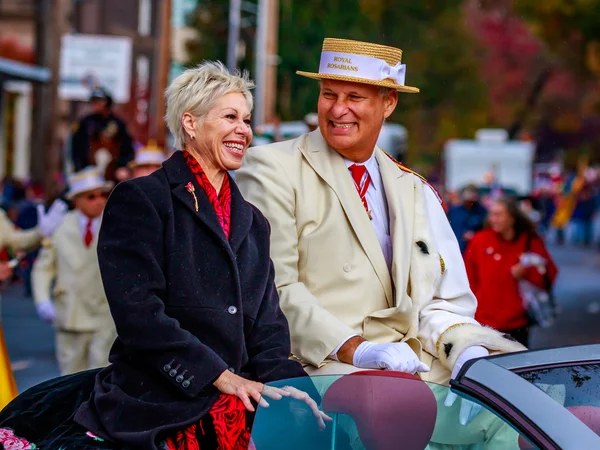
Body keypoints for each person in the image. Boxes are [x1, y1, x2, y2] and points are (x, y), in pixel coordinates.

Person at [0, 62, 323, 450]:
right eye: (230, 117)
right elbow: (140, 316)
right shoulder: (141, 199)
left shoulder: (253, 222)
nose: (244, 130)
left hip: (242, 407)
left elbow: (267, 325)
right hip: (158, 407)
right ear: (190, 123)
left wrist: (296, 390)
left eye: (247, 119)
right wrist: (218, 376)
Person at [237, 37, 524, 385]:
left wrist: (465, 349)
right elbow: (274, 288)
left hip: (411, 367)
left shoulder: (413, 188)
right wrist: (355, 348)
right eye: (329, 94)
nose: (338, 109)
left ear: (389, 103)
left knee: (513, 410)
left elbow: (438, 300)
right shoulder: (269, 168)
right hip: (320, 367)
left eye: (354, 97)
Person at [32, 167, 117, 375]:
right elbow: (43, 268)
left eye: (103, 195)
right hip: (70, 313)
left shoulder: (117, 222)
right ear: (76, 200)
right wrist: (42, 300)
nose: (99, 200)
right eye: (91, 196)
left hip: (105, 313)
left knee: (101, 376)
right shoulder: (60, 225)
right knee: (69, 377)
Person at [465, 197, 558, 347]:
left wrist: (527, 273)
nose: (493, 219)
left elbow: (550, 275)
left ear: (512, 217)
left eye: (499, 214)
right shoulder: (479, 240)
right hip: (484, 322)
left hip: (518, 322)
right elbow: (468, 279)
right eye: (492, 214)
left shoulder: (529, 241)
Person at [70, 87, 135, 182]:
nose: (95, 104)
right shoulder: (85, 123)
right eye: (93, 101)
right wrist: (79, 169)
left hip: (113, 174)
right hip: (88, 173)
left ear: (107, 102)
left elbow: (127, 149)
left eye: (99, 101)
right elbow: (76, 149)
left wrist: (122, 166)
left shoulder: (118, 124)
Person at [448, 184, 488, 254]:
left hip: (476, 250)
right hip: (456, 250)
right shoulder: (454, 211)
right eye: (467, 199)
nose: (469, 202)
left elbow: (487, 232)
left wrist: (474, 236)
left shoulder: (483, 212)